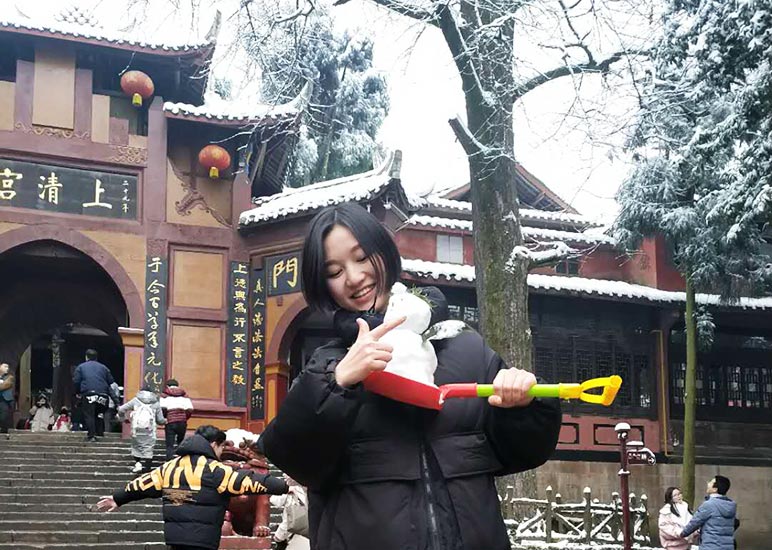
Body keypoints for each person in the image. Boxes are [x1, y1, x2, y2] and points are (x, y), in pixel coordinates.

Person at [259, 203, 563, 550]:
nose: (354, 277)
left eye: (361, 257)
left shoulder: (462, 346)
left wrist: (521, 406)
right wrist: (338, 383)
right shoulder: (327, 365)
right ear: (323, 285)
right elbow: (296, 459)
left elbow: (522, 452)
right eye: (334, 271)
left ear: (384, 252)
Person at [96, 425, 290, 550]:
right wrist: (284, 486)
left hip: (176, 539)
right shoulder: (216, 470)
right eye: (221, 447)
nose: (222, 451)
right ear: (214, 444)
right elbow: (251, 481)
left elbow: (141, 484)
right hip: (204, 541)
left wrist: (118, 498)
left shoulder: (170, 467)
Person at [73, 349, 119, 441]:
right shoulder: (104, 368)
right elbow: (110, 382)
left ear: (86, 357)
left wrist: (77, 393)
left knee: (89, 414)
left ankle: (91, 435)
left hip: (89, 394)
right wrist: (116, 402)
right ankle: (100, 432)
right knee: (98, 413)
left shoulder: (81, 367)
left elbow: (76, 381)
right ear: (96, 358)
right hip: (103, 396)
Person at [682, 475, 737, 550]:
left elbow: (695, 522)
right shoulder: (731, 505)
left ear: (715, 489)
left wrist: (683, 533)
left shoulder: (709, 505)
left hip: (711, 546)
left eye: (710, 482)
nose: (708, 484)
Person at [119, 386, 166, 474]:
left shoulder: (135, 400)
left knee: (136, 446)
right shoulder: (155, 402)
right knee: (148, 448)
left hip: (136, 429)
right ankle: (147, 469)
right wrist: (165, 421)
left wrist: (123, 418)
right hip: (149, 430)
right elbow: (160, 420)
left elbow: (121, 409)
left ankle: (138, 464)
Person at [160, 378, 194, 460]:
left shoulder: (164, 395)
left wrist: (165, 417)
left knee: (169, 444)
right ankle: (180, 459)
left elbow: (162, 408)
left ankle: (169, 460)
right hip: (182, 421)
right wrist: (185, 417)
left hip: (170, 421)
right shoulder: (184, 395)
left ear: (168, 386)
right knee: (181, 442)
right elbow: (190, 409)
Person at [0, 363, 15, 434]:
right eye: (5, 366)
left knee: (4, 416)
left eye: (8, 367)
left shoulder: (9, 377)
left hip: (4, 400)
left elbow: (5, 385)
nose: (7, 368)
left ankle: (3, 431)